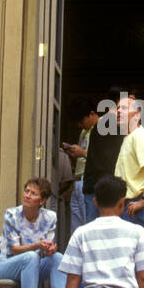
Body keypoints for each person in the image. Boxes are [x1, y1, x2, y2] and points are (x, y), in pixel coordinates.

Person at [0, 178, 67, 288]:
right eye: (27, 191)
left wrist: (49, 249)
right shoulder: (12, 215)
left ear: (42, 200)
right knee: (31, 256)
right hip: (4, 265)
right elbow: (14, 249)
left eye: (33, 194)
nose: (27, 195)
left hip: (30, 268)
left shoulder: (50, 217)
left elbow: (45, 247)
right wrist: (38, 246)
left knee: (57, 257)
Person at [113, 93, 144, 240]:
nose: (119, 111)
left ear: (137, 115)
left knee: (135, 257)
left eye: (124, 108)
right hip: (127, 205)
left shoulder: (140, 136)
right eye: (118, 108)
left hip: (136, 207)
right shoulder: (129, 137)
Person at [80, 92, 123, 224]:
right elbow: (110, 160)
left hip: (97, 185)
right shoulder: (110, 126)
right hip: (103, 187)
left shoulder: (102, 126)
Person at [62, 100, 98, 234]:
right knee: (76, 227)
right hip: (78, 181)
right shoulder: (84, 132)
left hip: (89, 181)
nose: (80, 126)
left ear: (92, 114)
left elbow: (104, 158)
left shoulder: (102, 130)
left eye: (81, 121)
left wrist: (82, 153)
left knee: (88, 224)